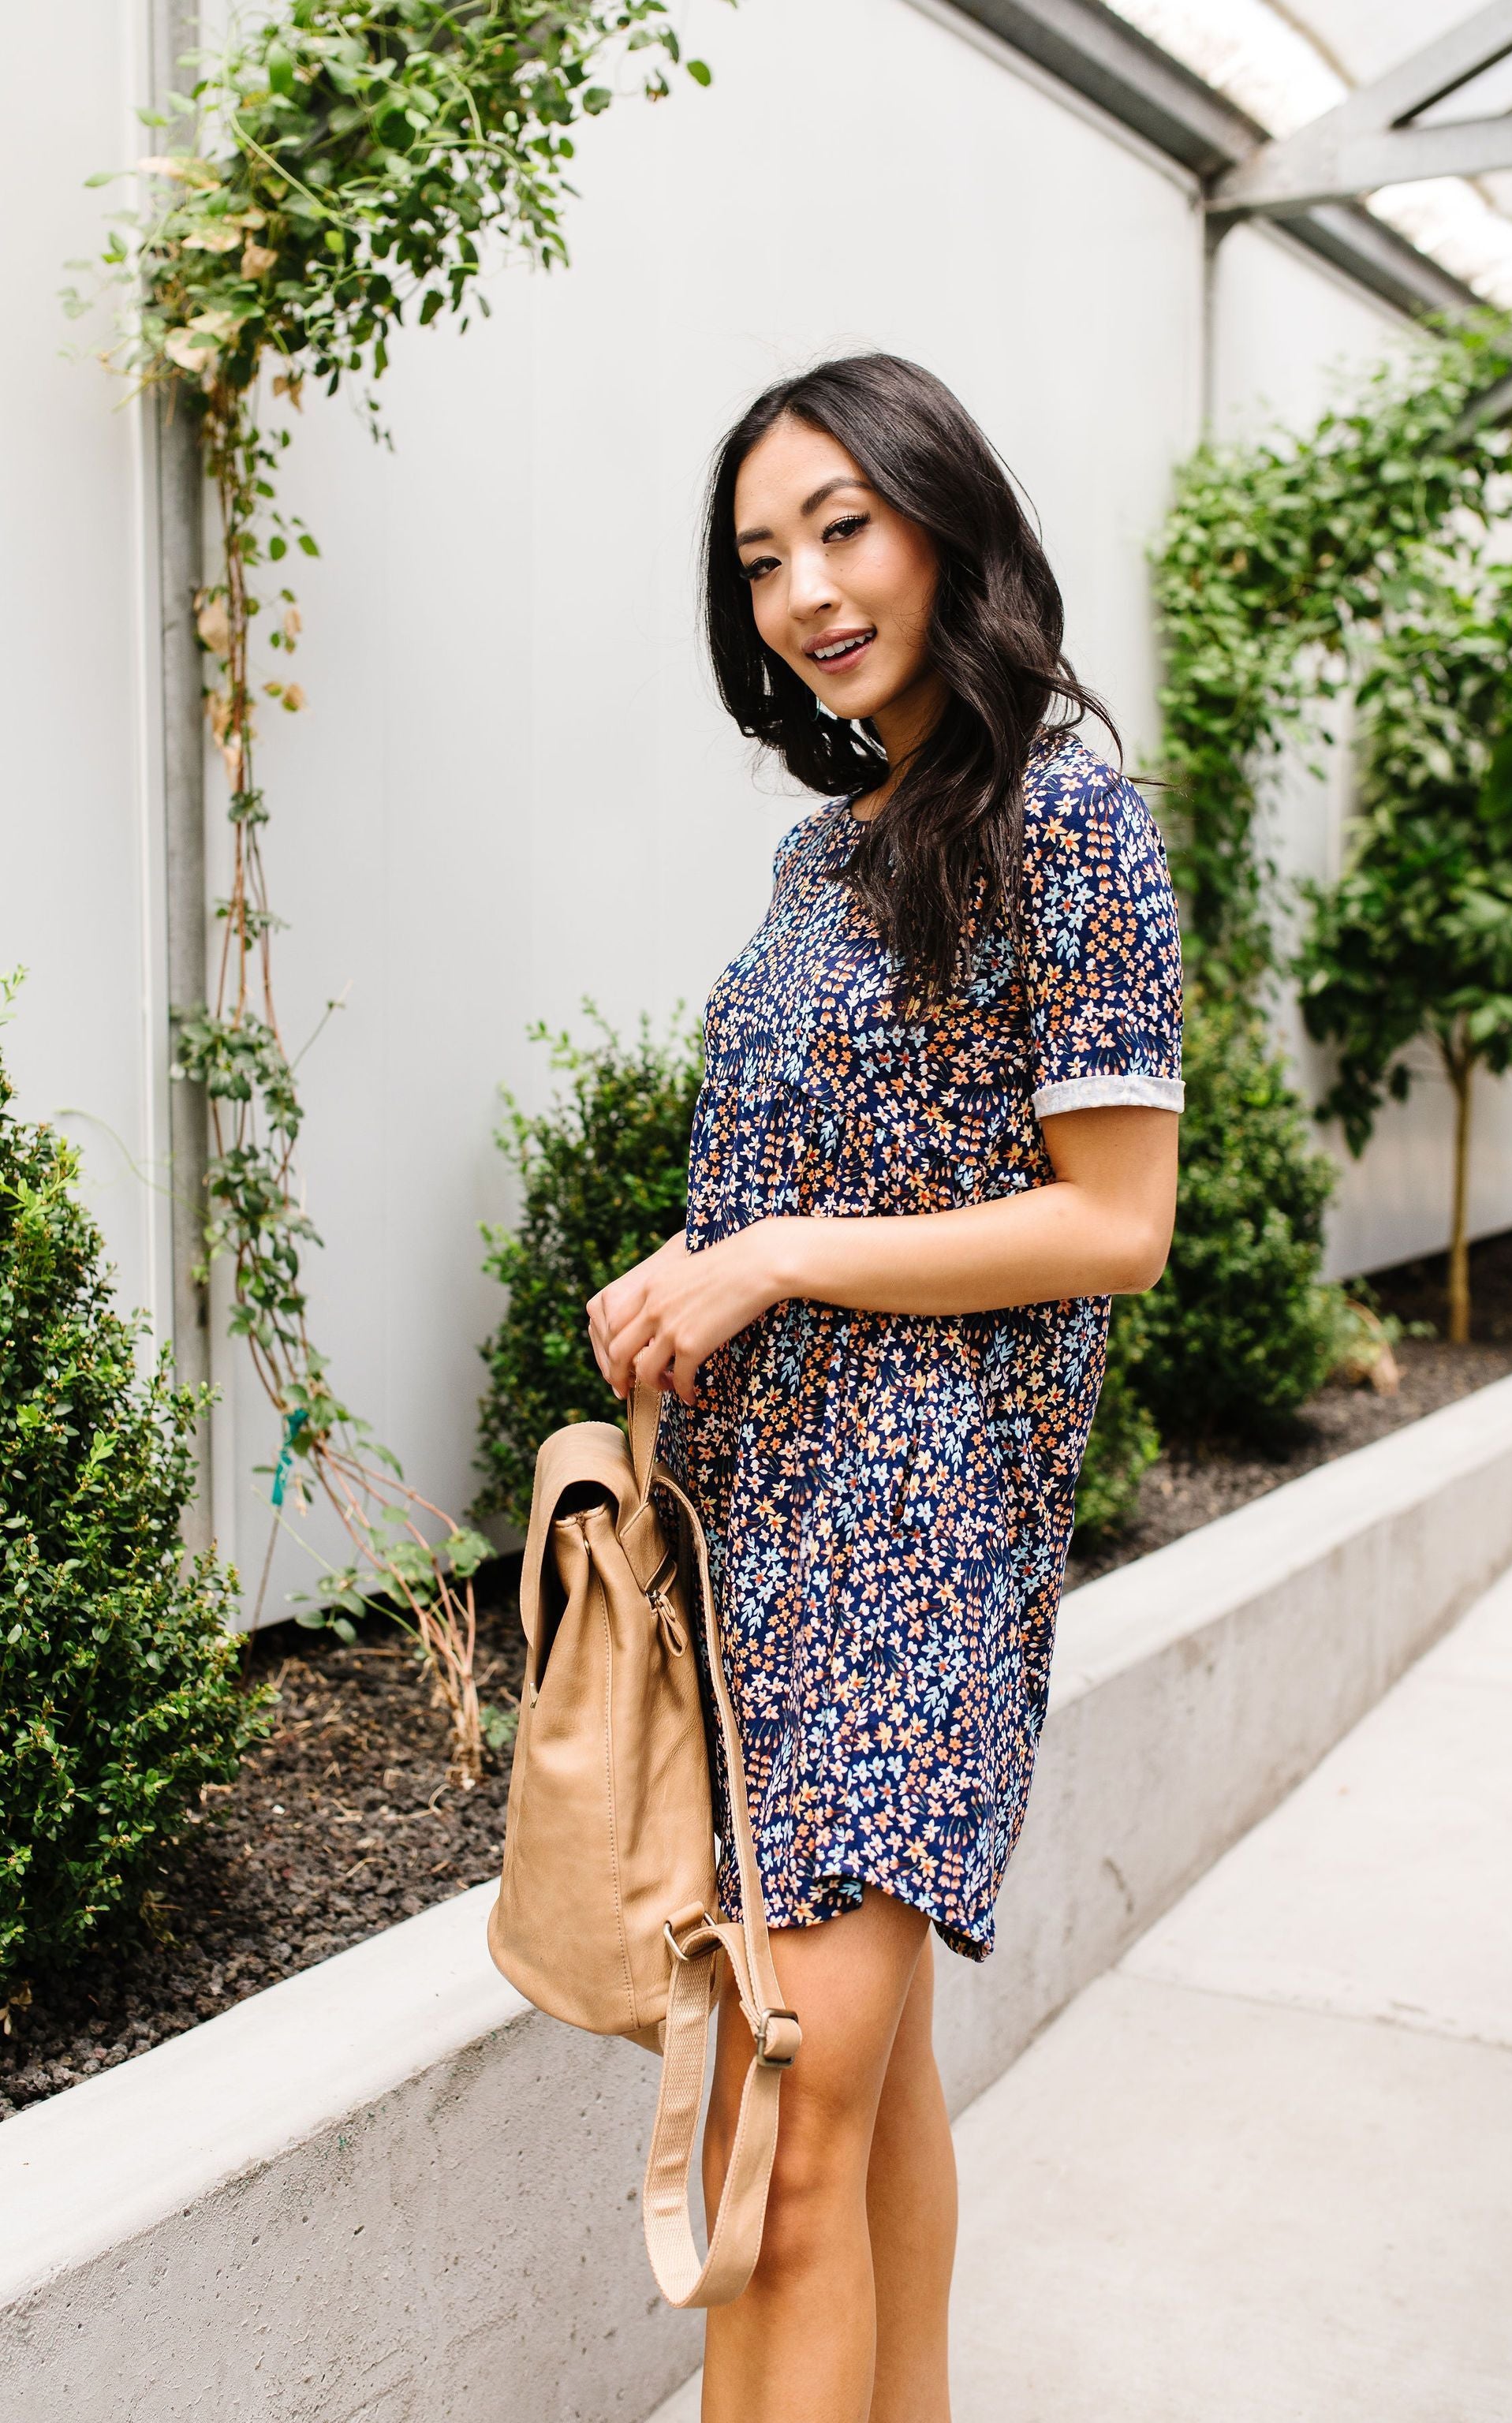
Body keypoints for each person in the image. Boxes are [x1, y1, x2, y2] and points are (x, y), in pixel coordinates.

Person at [586, 354, 1182, 2423]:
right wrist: (696, 1260)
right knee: (867, 2087)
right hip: (762, 1534)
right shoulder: (824, 852)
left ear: (948, 525)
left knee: (778, 2146)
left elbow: (1116, 1221)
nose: (809, 593)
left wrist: (774, 1256)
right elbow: (821, 1174)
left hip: (915, 1545)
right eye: (764, 560)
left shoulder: (1070, 819)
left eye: (844, 528)